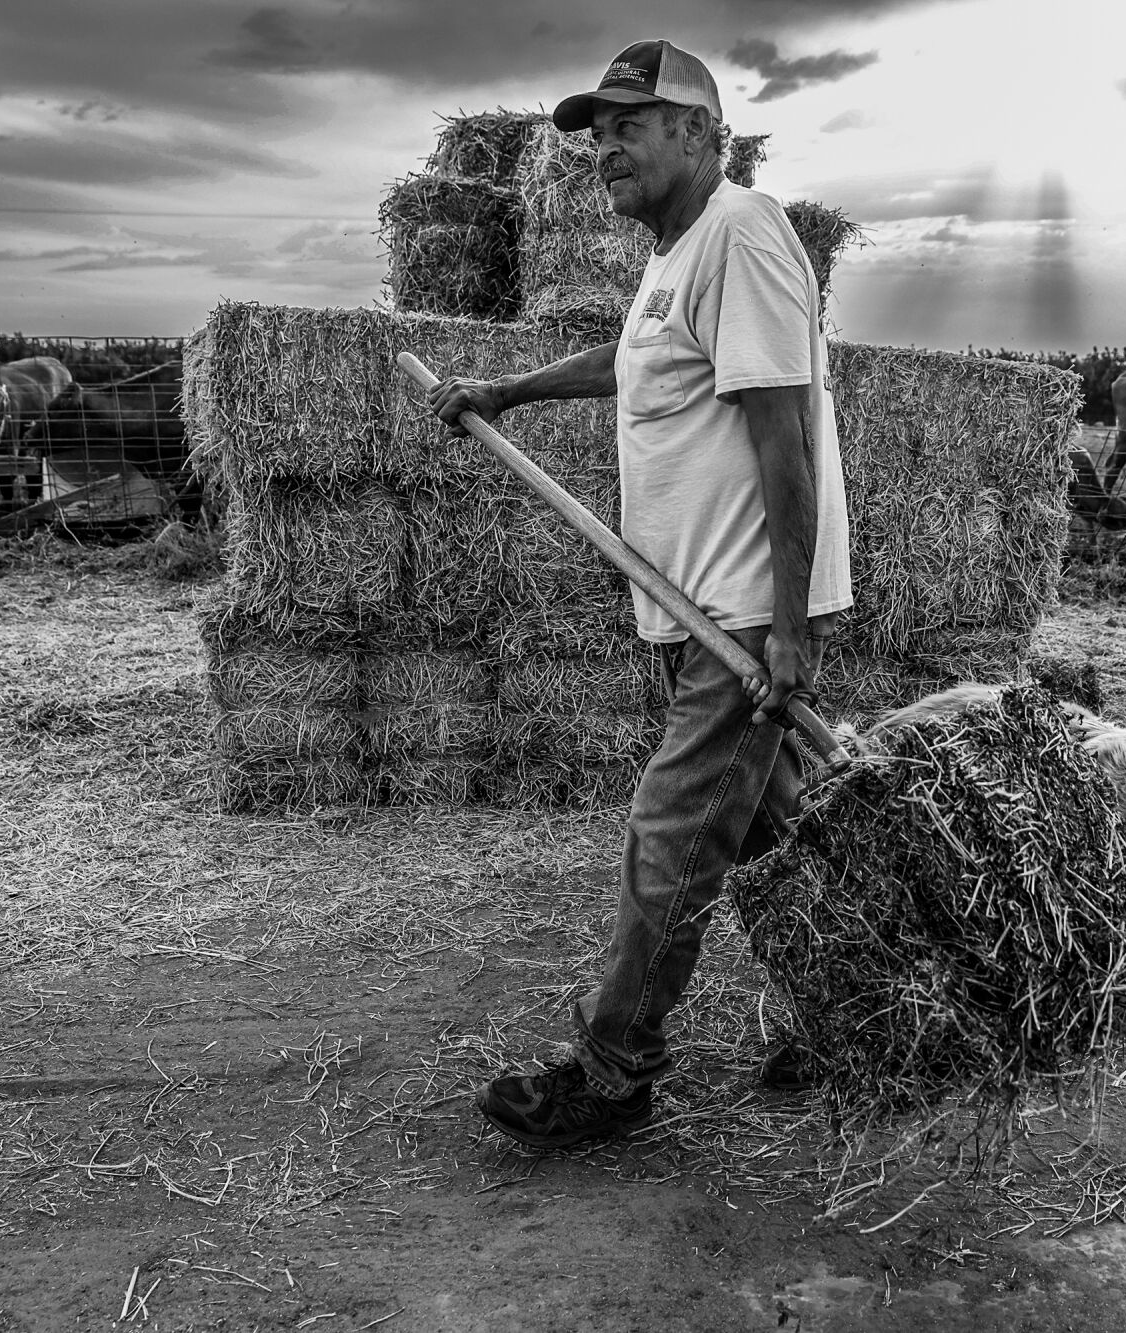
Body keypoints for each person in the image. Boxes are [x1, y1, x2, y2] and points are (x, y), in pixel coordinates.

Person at [427, 38, 854, 1150]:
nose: (604, 145)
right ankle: (862, 1007)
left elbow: (785, 435)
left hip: (741, 615)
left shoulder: (742, 236)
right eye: (595, 130)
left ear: (702, 135)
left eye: (630, 122)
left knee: (671, 836)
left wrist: (788, 626)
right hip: (696, 605)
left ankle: (611, 1073)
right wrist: (507, 389)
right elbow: (633, 361)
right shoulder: (676, 254)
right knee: (786, 838)